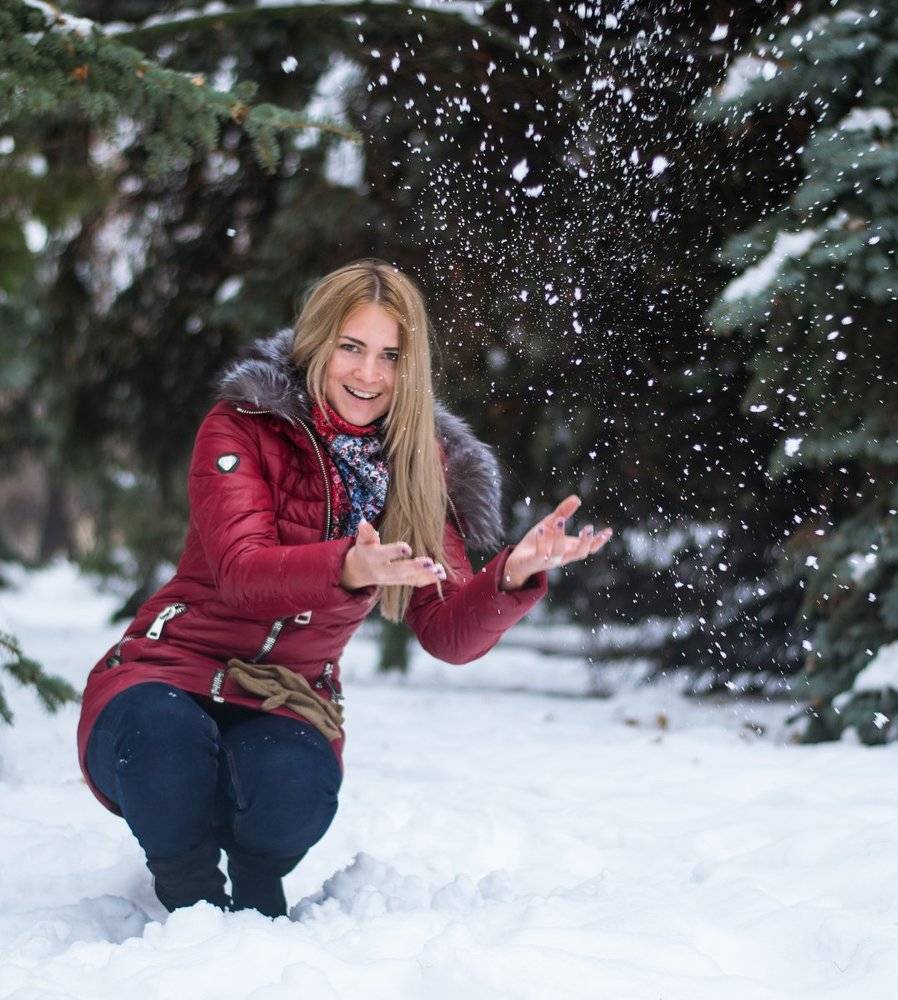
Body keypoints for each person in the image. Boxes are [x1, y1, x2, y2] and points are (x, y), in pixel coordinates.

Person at [76, 259, 612, 918]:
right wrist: (347, 568)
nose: (369, 374)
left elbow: (445, 630)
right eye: (351, 348)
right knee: (165, 744)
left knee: (294, 789)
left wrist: (511, 575)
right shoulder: (244, 424)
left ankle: (256, 875)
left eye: (390, 356)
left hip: (285, 696)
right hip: (167, 673)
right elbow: (242, 573)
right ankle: (189, 897)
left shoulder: (416, 463)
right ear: (317, 343)